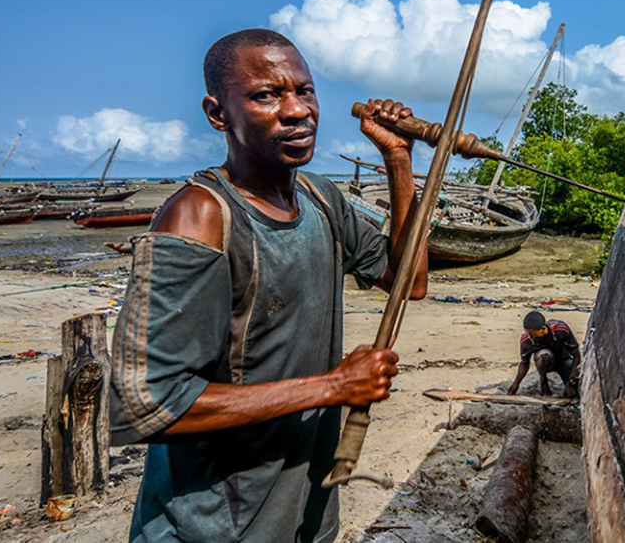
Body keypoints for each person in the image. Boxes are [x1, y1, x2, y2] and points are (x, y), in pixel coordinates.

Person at [109, 28, 427, 543]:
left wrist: (398, 159)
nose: (296, 110)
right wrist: (335, 387)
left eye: (304, 91)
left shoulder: (320, 199)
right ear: (218, 114)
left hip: (305, 509)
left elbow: (409, 281)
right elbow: (147, 403)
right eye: (265, 95)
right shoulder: (199, 218)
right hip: (212, 526)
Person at [507, 311, 580, 398]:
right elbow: (524, 363)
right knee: (544, 356)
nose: (530, 337)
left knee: (575, 388)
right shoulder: (526, 341)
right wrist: (516, 384)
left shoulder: (561, 330)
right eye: (528, 333)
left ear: (543, 329)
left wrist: (570, 382)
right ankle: (543, 379)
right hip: (545, 362)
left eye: (533, 334)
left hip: (563, 359)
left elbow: (577, 356)